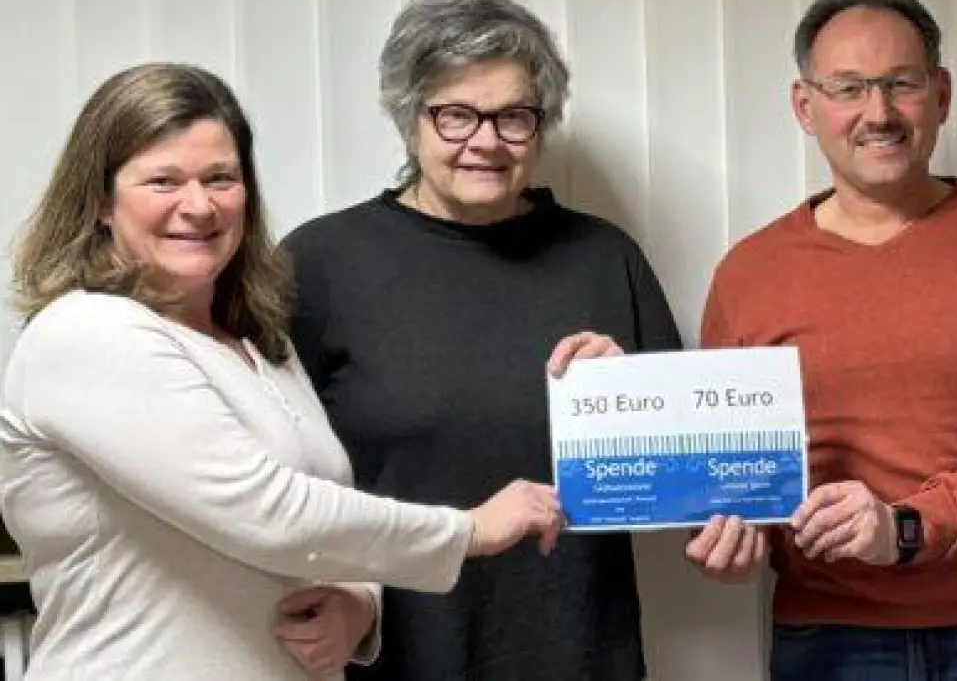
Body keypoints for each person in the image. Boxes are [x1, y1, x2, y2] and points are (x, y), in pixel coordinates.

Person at [0, 63, 574, 680]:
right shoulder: (85, 333)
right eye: (163, 180)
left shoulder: (257, 344)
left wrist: (359, 603)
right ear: (100, 203)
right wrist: (470, 530)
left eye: (221, 178)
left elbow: (329, 512)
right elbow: (266, 513)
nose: (198, 205)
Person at [685, 0, 957, 681]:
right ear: (805, 106)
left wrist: (908, 527)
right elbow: (732, 472)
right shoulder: (749, 273)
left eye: (899, 84)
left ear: (940, 94)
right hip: (829, 633)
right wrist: (735, 535)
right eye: (848, 87)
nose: (877, 112)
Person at [281, 0, 682, 680]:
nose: (486, 141)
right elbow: (269, 473)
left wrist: (629, 398)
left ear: (542, 123)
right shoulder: (319, 264)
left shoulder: (603, 258)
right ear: (410, 120)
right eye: (456, 115)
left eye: (513, 117)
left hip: (580, 651)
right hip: (389, 652)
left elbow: (682, 478)